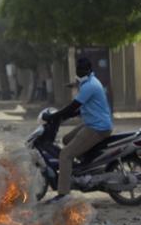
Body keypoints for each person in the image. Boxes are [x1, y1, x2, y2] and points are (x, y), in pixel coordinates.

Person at [43, 57, 114, 203]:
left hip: (97, 127)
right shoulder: (87, 82)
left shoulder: (90, 86)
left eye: (82, 71)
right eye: (78, 70)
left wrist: (54, 116)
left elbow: (73, 107)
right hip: (92, 122)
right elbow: (77, 110)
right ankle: (83, 168)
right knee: (66, 139)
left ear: (89, 70)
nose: (80, 73)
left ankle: (63, 195)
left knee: (65, 154)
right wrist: (60, 117)